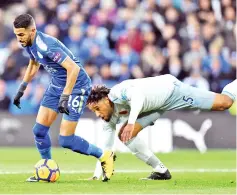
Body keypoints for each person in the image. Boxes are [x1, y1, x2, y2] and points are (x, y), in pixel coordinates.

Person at [12, 14, 114, 182]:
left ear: (33, 31)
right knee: (39, 131)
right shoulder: (28, 42)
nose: (19, 38)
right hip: (57, 85)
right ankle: (47, 170)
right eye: (16, 34)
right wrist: (22, 89)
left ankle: (104, 156)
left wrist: (65, 96)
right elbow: (34, 63)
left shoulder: (46, 45)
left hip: (77, 86)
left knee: (66, 140)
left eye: (21, 34)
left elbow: (73, 69)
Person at [87, 74, 236, 180]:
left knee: (225, 103)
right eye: (94, 111)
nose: (97, 114)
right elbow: (105, 146)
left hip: (172, 92)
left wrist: (131, 122)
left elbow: (138, 96)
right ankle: (160, 171)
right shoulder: (109, 117)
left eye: (97, 108)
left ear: (106, 100)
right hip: (153, 109)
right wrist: (96, 175)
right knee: (125, 135)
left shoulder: (116, 93)